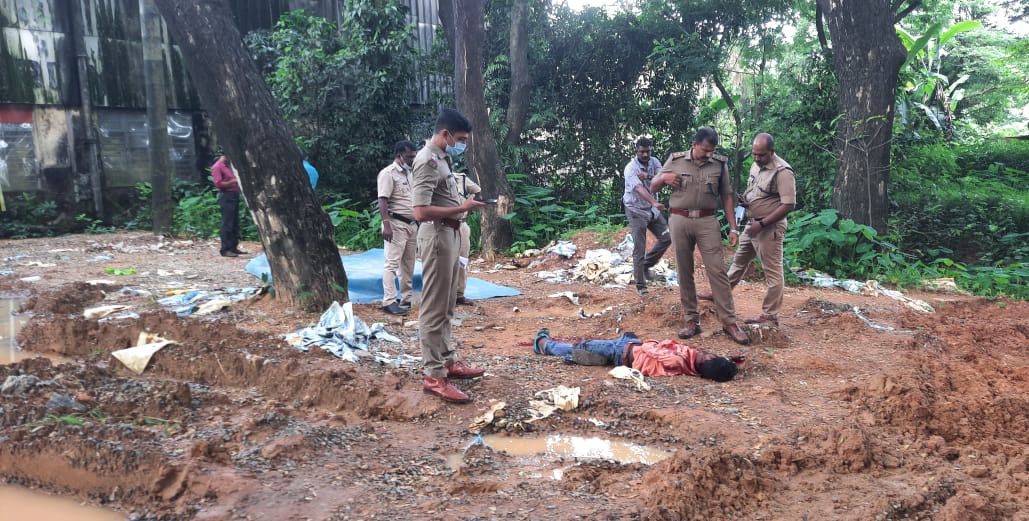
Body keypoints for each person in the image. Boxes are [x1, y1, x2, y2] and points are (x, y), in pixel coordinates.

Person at [411, 109, 488, 404]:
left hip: (452, 233)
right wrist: (460, 208)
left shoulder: (443, 158)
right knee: (433, 307)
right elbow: (420, 211)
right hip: (437, 235)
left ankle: (446, 361)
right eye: (460, 139)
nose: (462, 144)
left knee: (447, 305)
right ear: (445, 134)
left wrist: (464, 207)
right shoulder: (426, 161)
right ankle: (433, 376)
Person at [650, 127, 749, 345]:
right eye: (705, 150)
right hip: (679, 219)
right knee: (684, 270)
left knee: (718, 270)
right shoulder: (675, 160)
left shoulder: (719, 164)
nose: (708, 155)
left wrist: (733, 228)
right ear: (694, 144)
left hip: (707, 221)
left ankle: (729, 322)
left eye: (711, 151)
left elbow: (727, 196)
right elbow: (653, 185)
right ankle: (691, 320)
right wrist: (665, 177)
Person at [698, 133, 795, 326]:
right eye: (754, 154)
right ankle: (719, 295)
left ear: (771, 152)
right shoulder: (755, 165)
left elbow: (788, 205)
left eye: (761, 155)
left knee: (773, 273)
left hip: (768, 228)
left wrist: (763, 223)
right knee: (738, 262)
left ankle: (770, 316)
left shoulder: (783, 172)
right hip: (752, 225)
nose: (757, 159)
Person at [531, 328, 743, 382]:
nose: (708, 352)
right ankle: (580, 358)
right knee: (589, 347)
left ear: (707, 360)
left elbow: (650, 348)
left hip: (623, 351)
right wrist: (730, 363)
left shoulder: (676, 359)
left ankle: (543, 345)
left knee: (583, 346)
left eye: (712, 355)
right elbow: (715, 365)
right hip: (626, 351)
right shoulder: (692, 363)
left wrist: (651, 343)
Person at [623, 136, 672, 296]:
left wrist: (650, 177)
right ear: (636, 151)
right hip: (636, 210)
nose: (645, 155)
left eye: (648, 151)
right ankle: (640, 285)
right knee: (639, 248)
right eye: (642, 152)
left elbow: (662, 179)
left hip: (652, 209)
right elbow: (639, 188)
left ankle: (646, 265)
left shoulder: (655, 162)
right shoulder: (631, 168)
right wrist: (654, 201)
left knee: (667, 237)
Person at [377, 140, 419, 315]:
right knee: (392, 263)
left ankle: (406, 299)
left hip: (411, 225)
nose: (412, 160)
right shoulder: (388, 173)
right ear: (399, 156)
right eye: (409, 157)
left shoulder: (410, 174)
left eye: (414, 156)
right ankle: (389, 301)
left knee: (408, 265)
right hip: (395, 224)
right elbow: (383, 200)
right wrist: (386, 224)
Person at [453, 170, 481, 306]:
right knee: (442, 261)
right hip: (441, 225)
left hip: (461, 224)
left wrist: (468, 207)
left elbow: (478, 192)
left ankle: (459, 294)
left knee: (462, 260)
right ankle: (444, 296)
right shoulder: (432, 176)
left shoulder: (461, 178)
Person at [211, 155, 245, 258]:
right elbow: (219, 184)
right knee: (227, 223)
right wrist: (234, 181)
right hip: (226, 196)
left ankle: (233, 247)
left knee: (234, 222)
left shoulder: (229, 165)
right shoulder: (217, 167)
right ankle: (225, 249)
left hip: (234, 194)